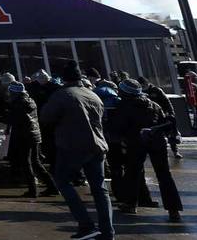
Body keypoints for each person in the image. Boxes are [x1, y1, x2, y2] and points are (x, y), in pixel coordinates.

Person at [39, 61, 113, 240]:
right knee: (100, 189)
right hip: (98, 146)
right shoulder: (93, 95)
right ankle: (107, 231)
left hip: (73, 145)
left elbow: (46, 117)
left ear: (64, 79)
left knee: (63, 181)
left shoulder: (62, 95)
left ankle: (86, 224)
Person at [108, 78, 182, 222]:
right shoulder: (153, 105)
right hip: (157, 142)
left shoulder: (124, 106)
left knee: (133, 172)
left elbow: (117, 127)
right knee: (164, 175)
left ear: (124, 92)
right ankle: (174, 210)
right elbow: (165, 121)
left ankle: (130, 204)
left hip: (136, 143)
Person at [6, 81, 56, 197]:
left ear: (14, 92)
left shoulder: (18, 104)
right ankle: (52, 186)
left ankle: (32, 189)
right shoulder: (30, 101)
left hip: (24, 136)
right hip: (34, 134)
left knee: (26, 162)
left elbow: (16, 120)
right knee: (36, 162)